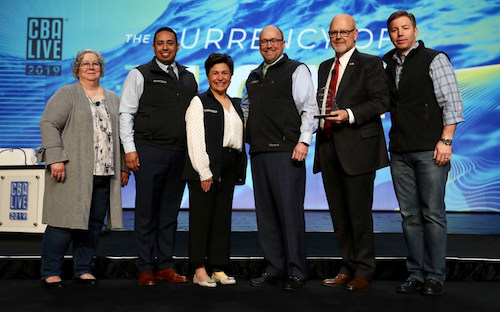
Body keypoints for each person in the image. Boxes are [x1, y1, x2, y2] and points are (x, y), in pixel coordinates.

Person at [383, 10, 464, 296]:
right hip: (400, 151)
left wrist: (447, 140)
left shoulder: (435, 59)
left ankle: (434, 276)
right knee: (409, 216)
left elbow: (451, 102)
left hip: (431, 150)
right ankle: (415, 274)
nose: (400, 33)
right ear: (390, 34)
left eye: (405, 28)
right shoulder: (386, 63)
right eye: (394, 29)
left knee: (433, 214)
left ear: (415, 31)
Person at [38, 49, 129, 287]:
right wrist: (55, 157)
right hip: (71, 172)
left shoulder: (112, 97)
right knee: (62, 222)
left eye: (96, 63)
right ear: (77, 68)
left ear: (102, 68)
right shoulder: (67, 94)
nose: (91, 67)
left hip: (104, 173)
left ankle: (83, 269)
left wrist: (123, 167)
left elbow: (118, 135)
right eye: (86, 63)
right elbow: (48, 123)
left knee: (93, 226)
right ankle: (50, 271)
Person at [313, 14, 389, 291]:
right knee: (339, 215)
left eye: (344, 32)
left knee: (358, 214)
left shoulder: (370, 63)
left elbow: (382, 101)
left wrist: (350, 114)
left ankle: (365, 270)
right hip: (328, 147)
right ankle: (347, 266)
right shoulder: (324, 67)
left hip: (358, 149)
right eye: (334, 33)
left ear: (355, 34)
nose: (339, 37)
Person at [242, 25, 319, 291]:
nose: (269, 45)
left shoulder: (297, 70)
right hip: (260, 152)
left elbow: (309, 108)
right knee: (266, 216)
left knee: (290, 214)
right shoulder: (252, 76)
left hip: (287, 152)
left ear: (283, 43)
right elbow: (245, 112)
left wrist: (303, 141)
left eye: (274, 41)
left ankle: (297, 271)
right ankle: (274, 268)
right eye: (264, 41)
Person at [119, 27, 198, 286]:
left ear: (177, 46)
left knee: (169, 214)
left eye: (170, 43)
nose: (165, 48)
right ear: (153, 47)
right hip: (148, 151)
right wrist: (129, 150)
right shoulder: (139, 74)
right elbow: (126, 114)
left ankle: (165, 266)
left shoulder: (188, 77)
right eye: (160, 44)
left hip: (179, 154)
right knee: (146, 213)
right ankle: (145, 268)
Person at [184, 53, 246, 288]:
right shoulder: (199, 102)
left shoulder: (236, 103)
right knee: (202, 219)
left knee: (221, 218)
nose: (220, 77)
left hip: (229, 165)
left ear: (231, 75)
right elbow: (195, 139)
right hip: (206, 168)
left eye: (225, 73)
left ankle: (218, 266)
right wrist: (204, 171)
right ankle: (199, 269)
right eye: (215, 73)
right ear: (208, 76)